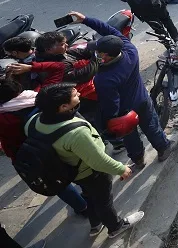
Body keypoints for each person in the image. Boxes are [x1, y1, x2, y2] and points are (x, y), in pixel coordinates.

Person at [27, 83, 143, 238]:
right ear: (63, 107)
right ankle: (115, 227)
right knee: (103, 201)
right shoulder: (76, 134)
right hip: (91, 172)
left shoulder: (33, 122)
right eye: (75, 95)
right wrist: (121, 169)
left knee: (88, 195)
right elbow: (98, 161)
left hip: (71, 172)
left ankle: (95, 224)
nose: (79, 95)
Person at [74, 11, 173, 167]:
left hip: (124, 112)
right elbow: (109, 30)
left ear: (106, 56)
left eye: (98, 51)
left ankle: (138, 160)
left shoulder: (104, 79)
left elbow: (111, 104)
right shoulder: (129, 49)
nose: (96, 53)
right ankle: (163, 148)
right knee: (152, 126)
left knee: (129, 137)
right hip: (142, 99)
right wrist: (86, 19)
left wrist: (108, 120)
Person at [0, 78, 89, 217]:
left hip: (35, 155)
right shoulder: (38, 98)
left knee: (57, 183)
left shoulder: (4, 118)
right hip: (58, 142)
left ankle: (82, 207)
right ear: (18, 88)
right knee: (79, 171)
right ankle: (89, 195)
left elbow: (9, 143)